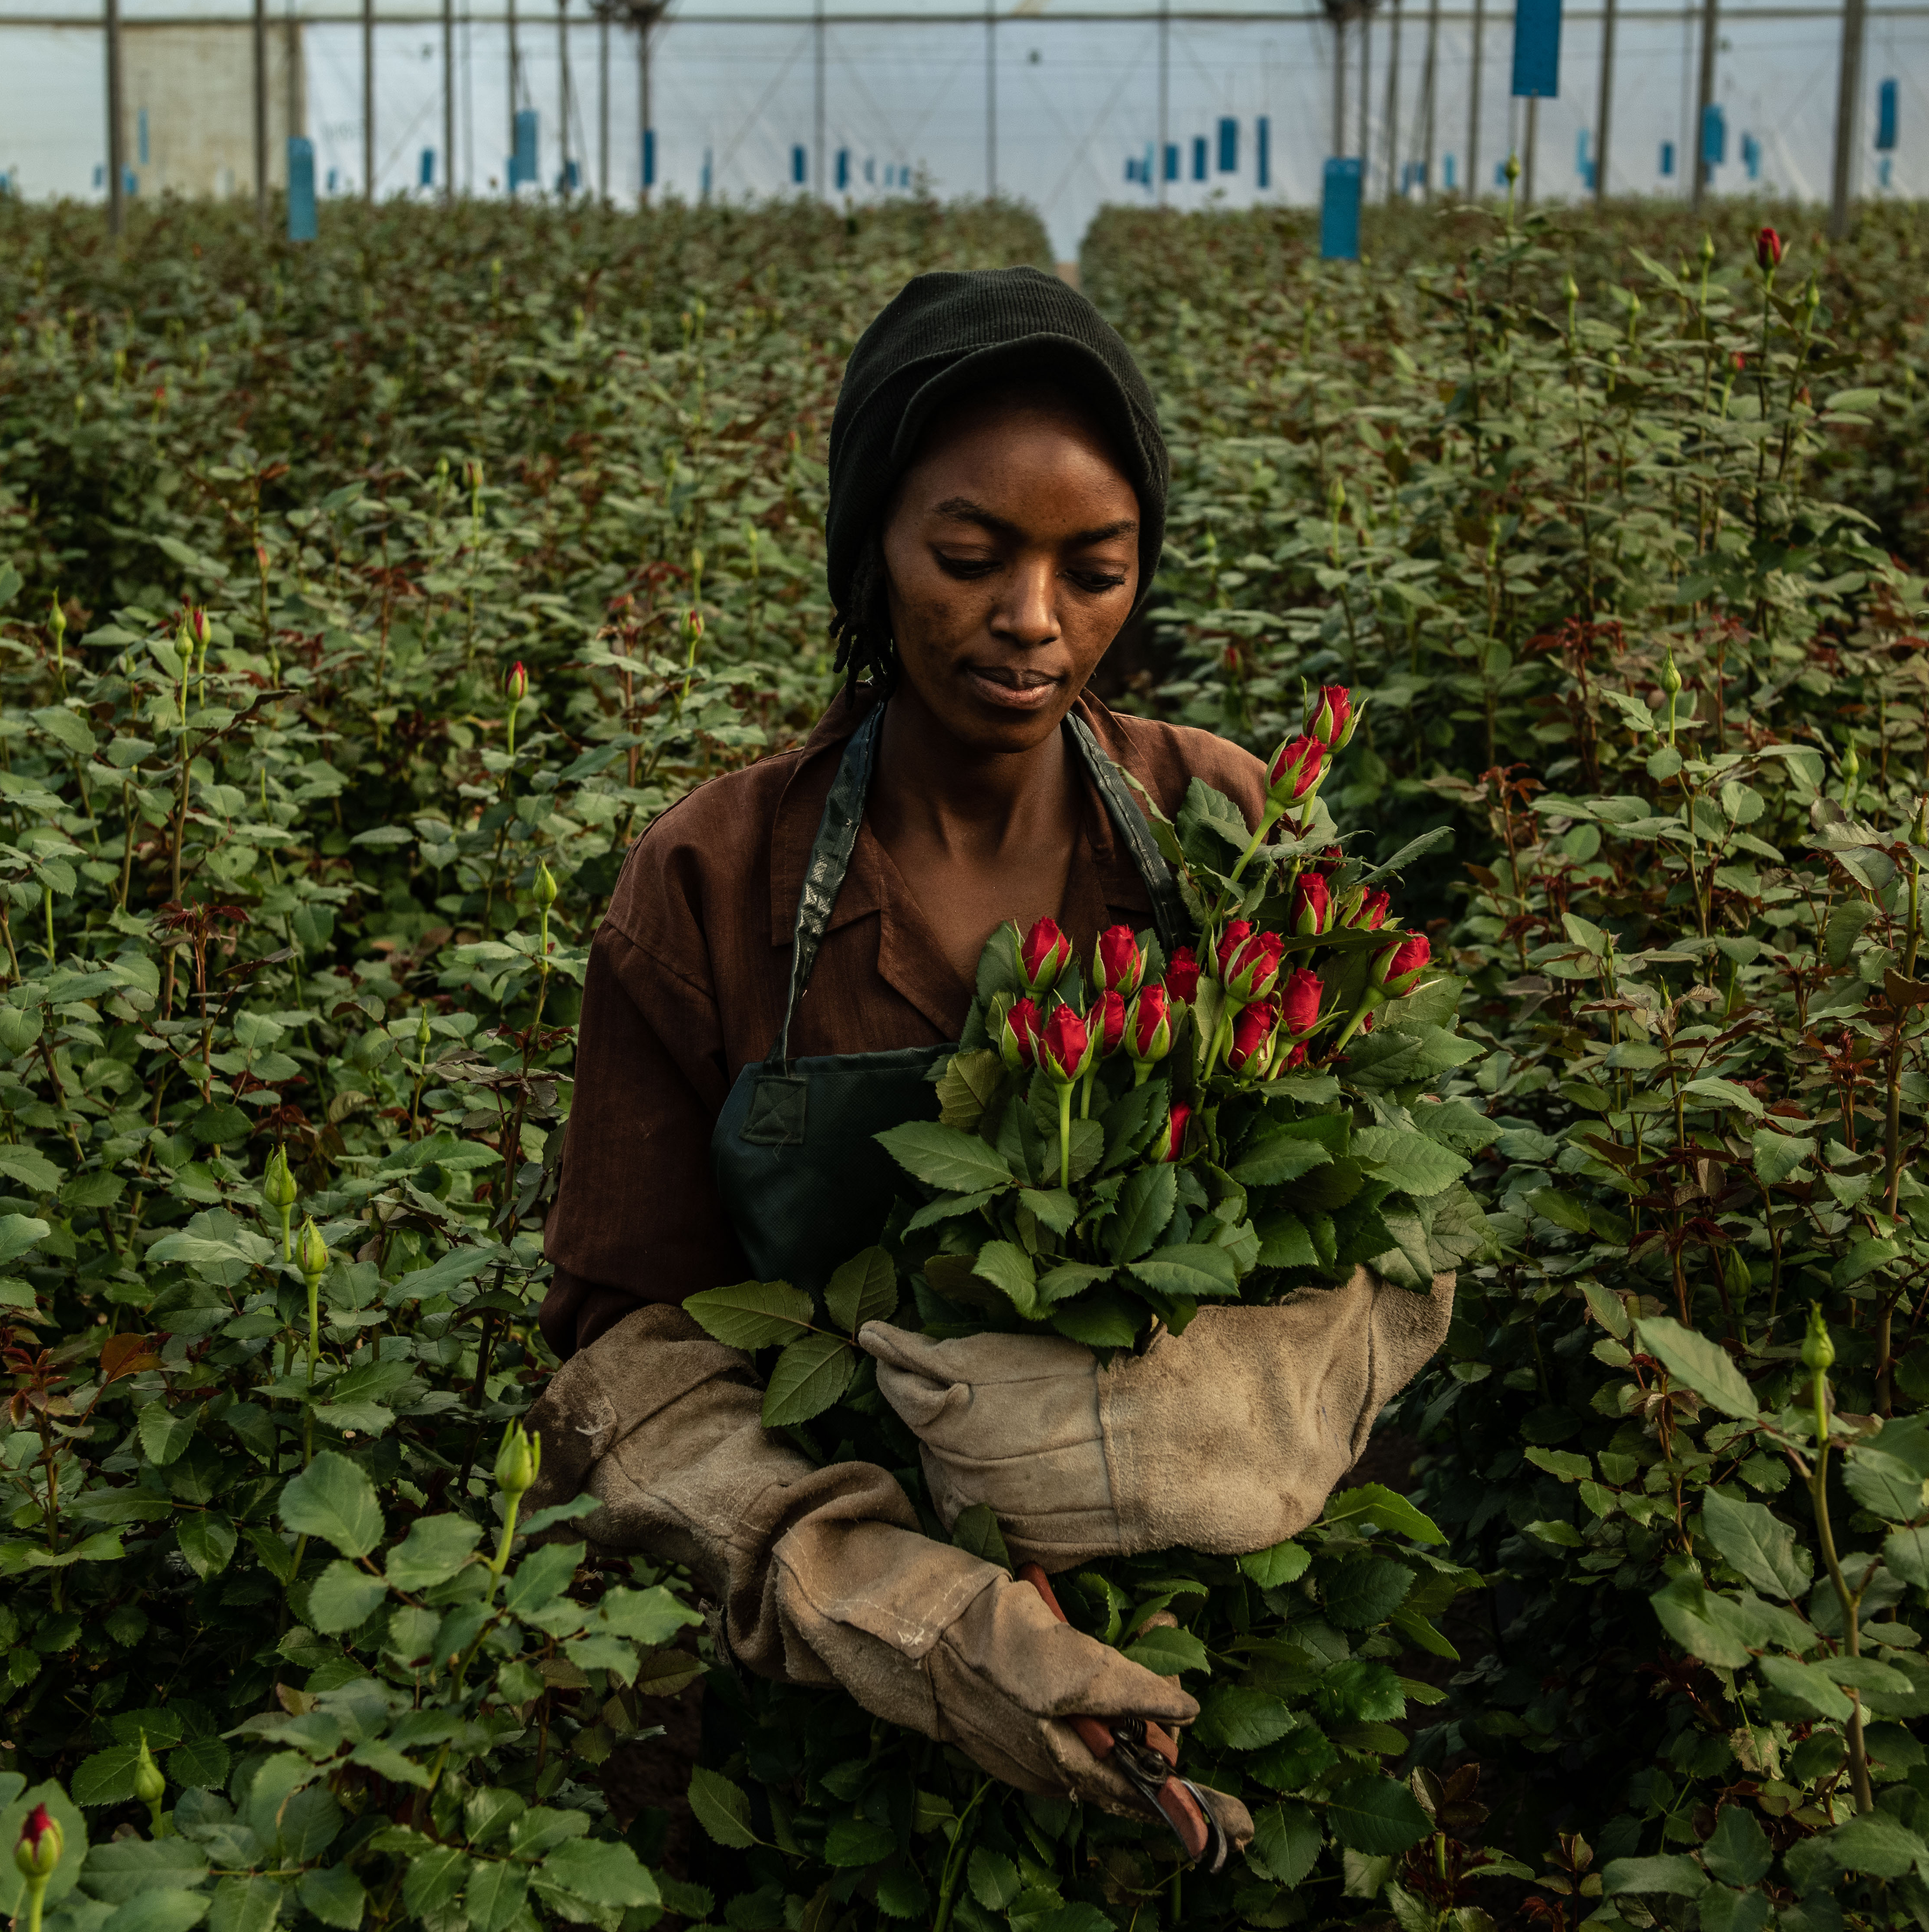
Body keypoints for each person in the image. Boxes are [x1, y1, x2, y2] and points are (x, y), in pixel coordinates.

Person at [527, 267, 1450, 1848]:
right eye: (969, 559)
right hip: (825, 1716)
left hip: (1211, 1654)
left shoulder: (1229, 834)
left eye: (1094, 571)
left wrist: (1177, 1430)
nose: (1033, 619)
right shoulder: (711, 881)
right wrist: (911, 1607)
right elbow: (628, 1351)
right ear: (870, 552)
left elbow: (1379, 1231)